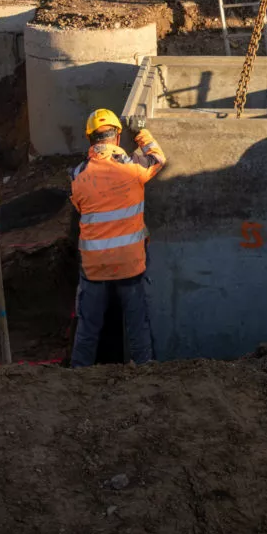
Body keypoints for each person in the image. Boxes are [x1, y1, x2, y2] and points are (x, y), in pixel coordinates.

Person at [70, 109, 166, 367]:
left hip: (95, 269)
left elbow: (81, 209)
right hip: (129, 266)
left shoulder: (78, 176)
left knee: (88, 330)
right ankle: (144, 373)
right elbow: (157, 158)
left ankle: (76, 380)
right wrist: (141, 133)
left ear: (90, 138)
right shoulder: (133, 167)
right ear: (117, 135)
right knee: (137, 327)